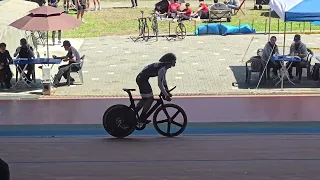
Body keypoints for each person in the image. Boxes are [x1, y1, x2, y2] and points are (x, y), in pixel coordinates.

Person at [135, 53, 176, 124]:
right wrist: (166, 94)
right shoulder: (162, 69)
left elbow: (164, 81)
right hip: (142, 79)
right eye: (173, 62)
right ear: (169, 62)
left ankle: (133, 113)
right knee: (150, 98)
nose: (174, 65)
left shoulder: (163, 67)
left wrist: (166, 90)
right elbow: (160, 84)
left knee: (145, 99)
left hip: (142, 78)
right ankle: (141, 118)